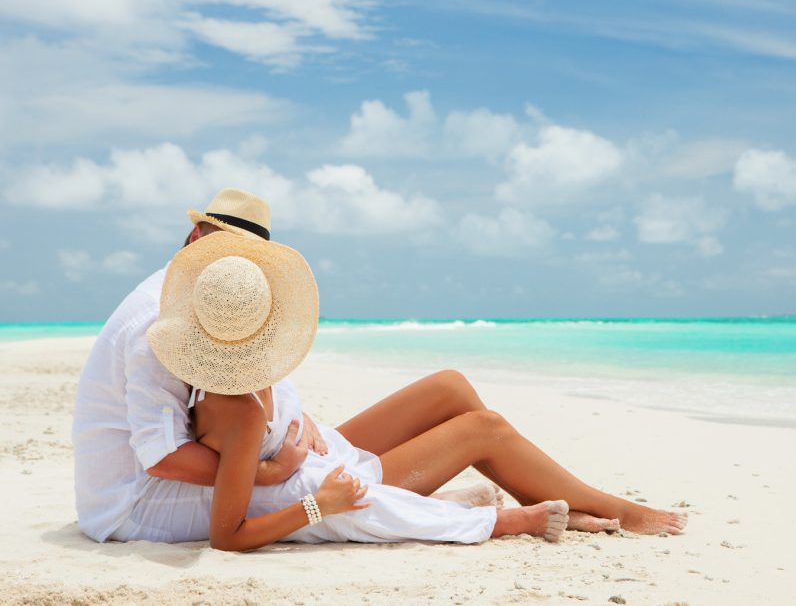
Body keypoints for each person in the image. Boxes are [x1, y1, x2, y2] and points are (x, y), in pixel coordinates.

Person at [71, 188, 686, 544]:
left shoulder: (220, 295)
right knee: (484, 430)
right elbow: (162, 456)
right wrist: (273, 467)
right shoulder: (158, 325)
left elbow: (245, 367)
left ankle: (546, 496)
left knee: (450, 387)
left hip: (246, 450)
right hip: (146, 500)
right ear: (194, 241)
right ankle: (610, 511)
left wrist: (293, 417)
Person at [145, 230, 569, 549]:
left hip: (316, 470)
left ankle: (457, 500)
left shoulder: (246, 385)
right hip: (305, 493)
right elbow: (227, 536)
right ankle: (505, 522)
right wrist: (319, 506)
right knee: (375, 507)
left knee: (444, 398)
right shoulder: (239, 411)